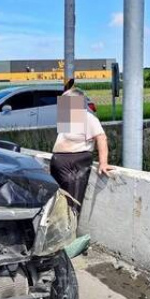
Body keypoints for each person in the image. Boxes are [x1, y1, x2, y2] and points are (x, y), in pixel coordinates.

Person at [50, 83, 113, 213]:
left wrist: (103, 163)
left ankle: (70, 231)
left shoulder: (88, 118)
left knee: (71, 204)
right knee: (58, 204)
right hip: (60, 164)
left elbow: (101, 138)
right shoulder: (68, 118)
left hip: (74, 164)